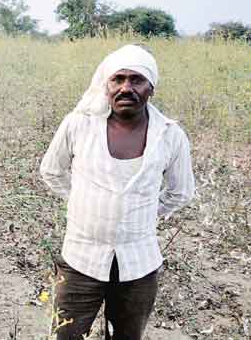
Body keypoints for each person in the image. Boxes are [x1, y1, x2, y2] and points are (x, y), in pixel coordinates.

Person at [39, 45, 196, 340]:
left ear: (151, 87)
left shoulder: (171, 135)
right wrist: (83, 204)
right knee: (65, 336)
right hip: (80, 257)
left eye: (136, 80)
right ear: (106, 85)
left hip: (139, 263)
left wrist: (144, 212)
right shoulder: (79, 124)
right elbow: (51, 171)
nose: (126, 88)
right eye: (118, 79)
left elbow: (181, 191)